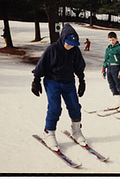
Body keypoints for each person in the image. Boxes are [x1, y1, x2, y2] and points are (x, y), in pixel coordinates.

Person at [31, 23, 86, 151]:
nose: (70, 46)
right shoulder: (52, 49)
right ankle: (48, 132)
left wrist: (82, 81)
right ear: (62, 39)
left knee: (74, 106)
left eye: (73, 44)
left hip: (68, 81)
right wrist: (36, 80)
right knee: (55, 107)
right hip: (52, 81)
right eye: (68, 43)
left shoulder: (75, 50)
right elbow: (41, 65)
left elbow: (79, 66)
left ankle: (76, 130)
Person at [102, 32, 120, 111]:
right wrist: (104, 69)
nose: (112, 42)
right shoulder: (108, 49)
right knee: (111, 84)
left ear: (116, 39)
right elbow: (105, 59)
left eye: (113, 40)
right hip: (109, 68)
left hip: (116, 67)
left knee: (119, 84)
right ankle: (118, 101)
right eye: (110, 40)